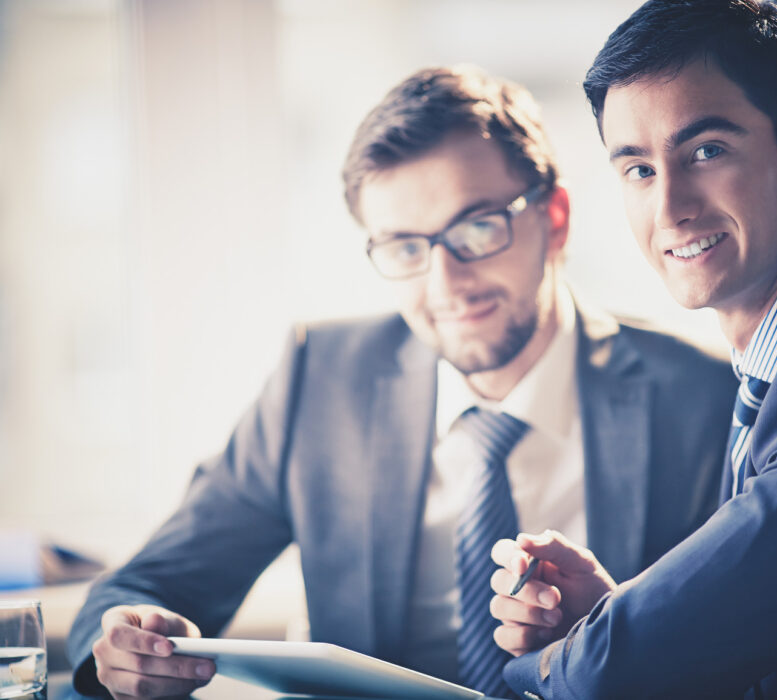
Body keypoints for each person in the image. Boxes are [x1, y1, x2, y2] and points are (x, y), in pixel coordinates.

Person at [66, 64, 736, 699]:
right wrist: (129, 641)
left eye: (476, 229)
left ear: (553, 218)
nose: (446, 284)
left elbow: (741, 647)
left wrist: (613, 633)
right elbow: (146, 585)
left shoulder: (699, 394)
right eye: (407, 248)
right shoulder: (319, 379)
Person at [490, 1, 777, 698]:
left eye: (706, 151)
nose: (669, 207)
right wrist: (610, 613)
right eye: (638, 170)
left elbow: (606, 673)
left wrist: (570, 654)